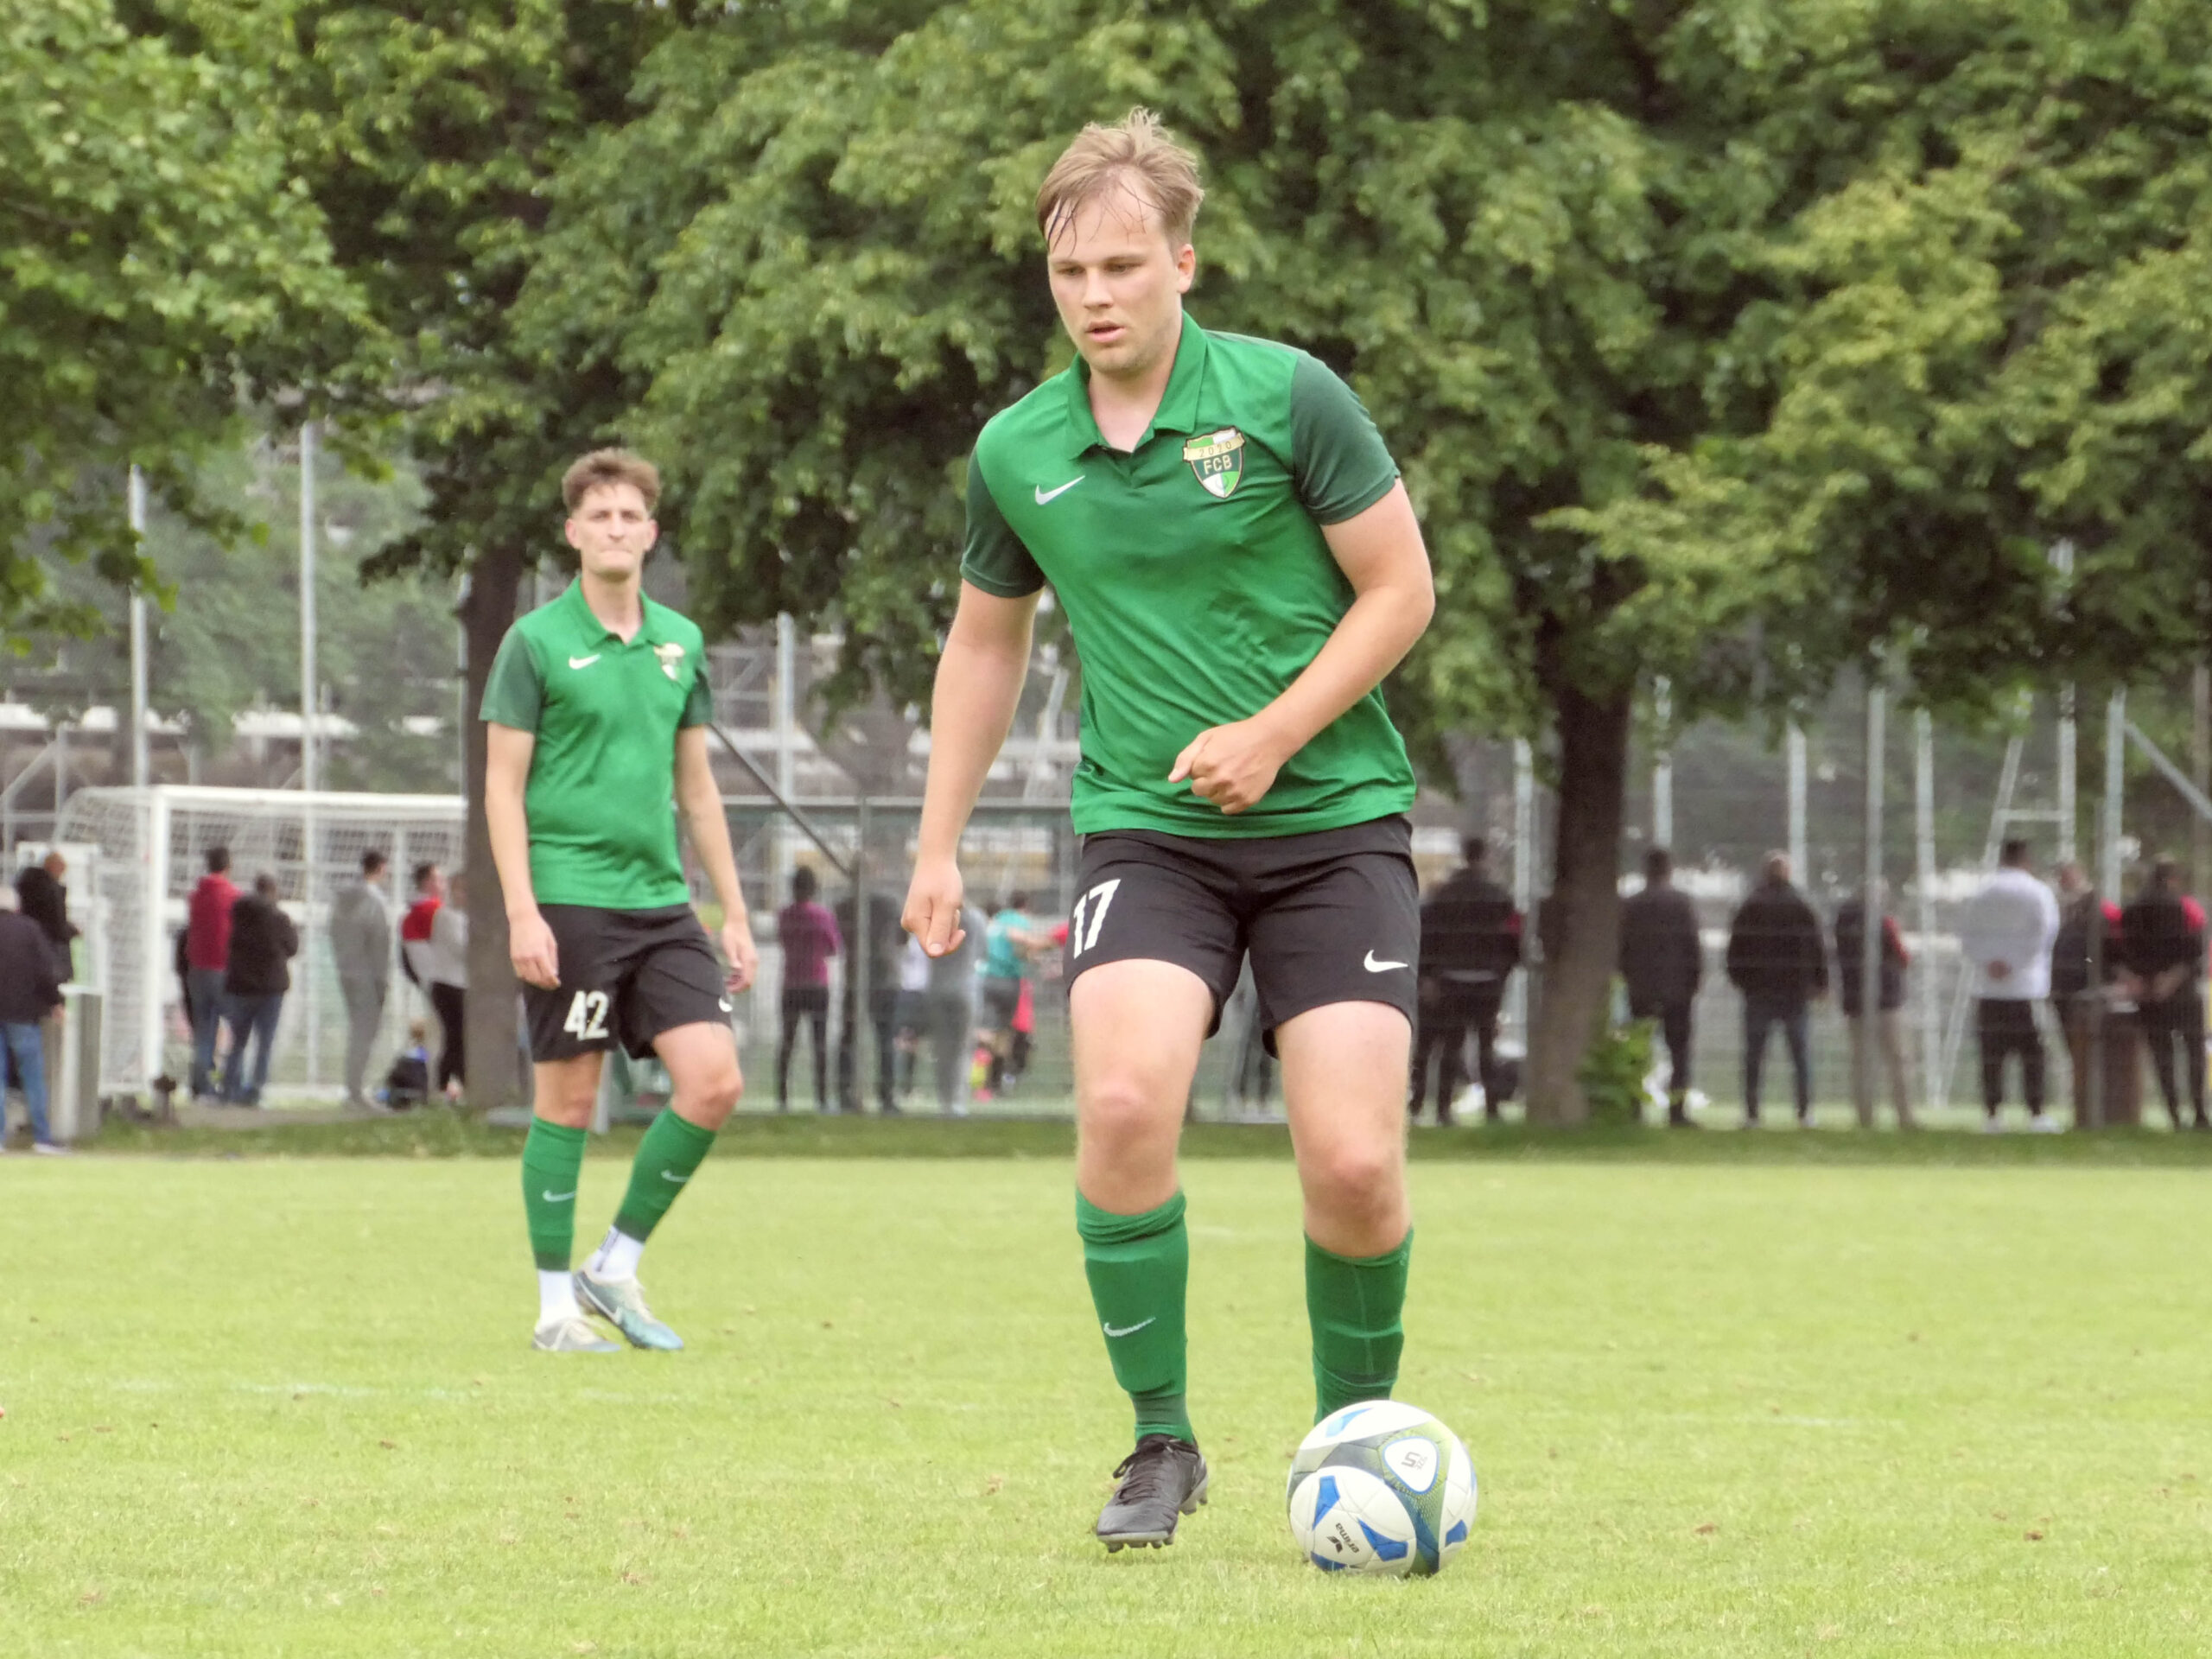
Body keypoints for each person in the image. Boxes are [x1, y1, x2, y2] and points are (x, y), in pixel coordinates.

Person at [901, 111, 1434, 1551]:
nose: (1096, 296)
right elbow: (985, 644)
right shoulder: (1018, 449)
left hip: (1335, 825)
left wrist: (1274, 734)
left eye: (1124, 266)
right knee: (1126, 1106)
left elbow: (1402, 590)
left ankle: (1352, 1448)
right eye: (1070, 272)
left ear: (1183, 263)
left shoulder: (1289, 397)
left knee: (1354, 1165)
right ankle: (1160, 1442)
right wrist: (938, 844)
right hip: (1149, 833)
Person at [483, 447, 758, 1355]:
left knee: (714, 1081)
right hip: (571, 901)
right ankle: (553, 1311)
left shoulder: (680, 643)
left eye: (628, 515)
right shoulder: (534, 643)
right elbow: (501, 788)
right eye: (598, 515)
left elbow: (698, 790)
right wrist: (522, 911)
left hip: (662, 904)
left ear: (651, 533)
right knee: (569, 1102)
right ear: (573, 533)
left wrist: (734, 911)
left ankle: (613, 1265)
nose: (614, 528)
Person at [1410, 837, 1521, 1125]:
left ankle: (1443, 1109)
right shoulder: (1499, 897)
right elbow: (1512, 941)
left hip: (1450, 979)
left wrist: (1428, 975)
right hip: (1488, 982)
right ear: (1485, 857)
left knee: (1451, 1045)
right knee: (1486, 1047)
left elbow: (1427, 937)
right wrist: (1502, 974)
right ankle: (1492, 1108)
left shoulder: (1443, 897)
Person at [1959, 838, 2061, 1131]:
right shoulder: (2038, 892)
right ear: (2027, 860)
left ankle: (1992, 1115)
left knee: (1992, 1056)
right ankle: (2036, 1113)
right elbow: (2045, 932)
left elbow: (1968, 934)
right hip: (2026, 988)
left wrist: (1989, 961)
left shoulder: (1982, 892)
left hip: (1989, 988)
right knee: (2033, 1055)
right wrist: (2015, 963)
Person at [1725, 852, 1827, 1126]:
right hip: (1795, 991)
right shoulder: (1801, 906)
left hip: (1758, 990)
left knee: (1754, 1055)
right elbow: (1817, 948)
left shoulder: (1751, 906)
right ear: (1788, 873)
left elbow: (1735, 950)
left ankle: (1752, 1112)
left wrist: (1740, 980)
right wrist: (1820, 983)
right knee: (1800, 1055)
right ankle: (1804, 1111)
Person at [2116, 858, 2209, 1131]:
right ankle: (2199, 1112)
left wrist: (2139, 980)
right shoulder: (2186, 907)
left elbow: (2119, 949)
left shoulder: (2131, 909)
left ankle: (2174, 1113)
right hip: (2182, 989)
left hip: (2148, 992)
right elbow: (2196, 948)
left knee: (2162, 1053)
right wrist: (2172, 978)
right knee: (2193, 1050)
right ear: (2173, 880)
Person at [1618, 847, 1703, 1128]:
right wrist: (1694, 980)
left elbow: (1622, 947)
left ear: (1646, 870)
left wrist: (1627, 976)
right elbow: (1691, 945)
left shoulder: (1632, 905)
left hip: (1641, 987)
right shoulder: (1681, 904)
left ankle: (1634, 1109)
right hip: (1677, 988)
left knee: (1637, 1050)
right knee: (1679, 1052)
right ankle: (1677, 1111)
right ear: (1669, 869)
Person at [1833, 883, 1914, 1129]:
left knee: (1861, 1060)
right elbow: (1903, 956)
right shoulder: (1885, 922)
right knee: (1898, 1059)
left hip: (1855, 1000)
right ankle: (1904, 1116)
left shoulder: (1843, 923)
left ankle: (1864, 1116)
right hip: (1887, 1000)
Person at [2050, 861, 2120, 1122]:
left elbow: (2116, 947)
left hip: (2090, 988)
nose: (2064, 883)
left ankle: (2100, 1104)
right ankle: (2082, 1104)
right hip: (2063, 988)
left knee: (2094, 1048)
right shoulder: (2060, 910)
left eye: (2068, 877)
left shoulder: (2101, 909)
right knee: (2074, 1048)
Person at [220, 873, 298, 1106]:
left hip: (240, 986)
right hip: (271, 988)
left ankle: (230, 1088)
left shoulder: (238, 916)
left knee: (238, 1041)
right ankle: (255, 1091)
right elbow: (292, 948)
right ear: (273, 892)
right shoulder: (279, 918)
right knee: (265, 1043)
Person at [0, 885, 66, 1152]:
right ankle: (42, 1137)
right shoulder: (29, 929)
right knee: (33, 1075)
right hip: (23, 1012)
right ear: (16, 907)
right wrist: (55, 1001)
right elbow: (45, 970)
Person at [329, 849, 394, 1110]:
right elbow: (380, 942)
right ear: (380, 868)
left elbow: (333, 932)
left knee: (358, 1031)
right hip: (368, 974)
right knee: (365, 1032)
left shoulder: (342, 900)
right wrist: (382, 978)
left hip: (346, 970)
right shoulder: (375, 901)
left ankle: (353, 1088)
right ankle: (355, 1091)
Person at [834, 884, 906, 1113]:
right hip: (884, 976)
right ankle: (886, 1096)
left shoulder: (844, 905)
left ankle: (845, 1091)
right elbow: (903, 937)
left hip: (856, 977)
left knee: (849, 1038)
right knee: (885, 1039)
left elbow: (838, 939)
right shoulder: (891, 904)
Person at [774, 866, 841, 1111]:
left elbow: (782, 940)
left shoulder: (784, 915)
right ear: (814, 889)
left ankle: (782, 1097)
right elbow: (834, 947)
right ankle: (821, 1098)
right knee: (819, 1043)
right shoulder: (823, 916)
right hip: (817, 983)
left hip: (791, 982)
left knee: (787, 1042)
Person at [918, 902, 986, 1115]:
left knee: (942, 1048)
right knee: (962, 1048)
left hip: (938, 987)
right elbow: (983, 952)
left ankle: (945, 1100)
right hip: (966, 988)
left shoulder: (934, 919)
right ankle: (957, 1102)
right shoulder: (976, 918)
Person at [184, 846, 239, 1100]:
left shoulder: (196, 896)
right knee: (238, 1028)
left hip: (198, 968)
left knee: (203, 1030)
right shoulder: (233, 896)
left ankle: (200, 1083)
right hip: (223, 968)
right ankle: (232, 1082)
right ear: (228, 867)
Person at [976, 893, 1042, 1099]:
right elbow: (1022, 943)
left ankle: (979, 1080)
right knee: (1004, 1034)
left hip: (985, 978)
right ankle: (994, 1083)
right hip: (1009, 981)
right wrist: (1033, 954)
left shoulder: (996, 921)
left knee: (985, 1030)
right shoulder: (1019, 921)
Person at [428, 873, 470, 1099]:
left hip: (460, 984)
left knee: (459, 1037)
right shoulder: (447, 916)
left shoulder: (465, 917)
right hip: (448, 985)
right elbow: (462, 948)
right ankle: (444, 1084)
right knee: (456, 1036)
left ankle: (456, 1083)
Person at [16, 850, 77, 980]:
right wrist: (72, 931)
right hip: (50, 948)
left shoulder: (28, 885)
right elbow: (56, 923)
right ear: (55, 867)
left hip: (31, 947)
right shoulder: (50, 890)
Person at [382, 1018, 433, 1110]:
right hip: (417, 1091)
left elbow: (393, 1077)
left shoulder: (405, 1053)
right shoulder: (425, 1054)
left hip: (402, 1090)